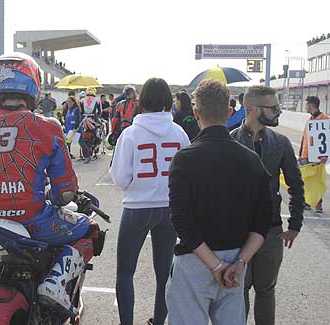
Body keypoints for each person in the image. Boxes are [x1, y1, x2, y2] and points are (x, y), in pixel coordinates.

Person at [0, 53, 102, 313]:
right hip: (36, 222)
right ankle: (55, 282)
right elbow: (66, 192)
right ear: (33, 84)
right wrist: (52, 197)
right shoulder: (47, 126)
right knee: (90, 228)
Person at [166, 79, 272, 325]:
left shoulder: (184, 159)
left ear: (195, 112)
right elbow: (262, 220)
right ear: (229, 112)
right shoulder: (251, 160)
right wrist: (240, 262)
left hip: (195, 259)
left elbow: (181, 219)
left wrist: (215, 265)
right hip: (236, 260)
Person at [110, 78, 190, 325]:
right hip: (168, 208)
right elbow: (186, 173)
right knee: (164, 274)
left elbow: (120, 177)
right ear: (168, 101)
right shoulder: (179, 132)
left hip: (137, 207)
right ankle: (158, 321)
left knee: (125, 272)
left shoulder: (131, 133)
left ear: (141, 101)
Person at [231, 85, 304, 325]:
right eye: (273, 108)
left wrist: (295, 224)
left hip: (271, 231)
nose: (278, 112)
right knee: (237, 291)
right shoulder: (230, 141)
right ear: (252, 109)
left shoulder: (281, 143)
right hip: (237, 233)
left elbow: (295, 183)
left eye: (278, 107)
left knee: (266, 290)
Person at [299, 95, 329, 213]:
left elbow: (327, 139)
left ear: (311, 105)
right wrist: (301, 153)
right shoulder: (310, 120)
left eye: (306, 104)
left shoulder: (325, 119)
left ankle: (317, 203)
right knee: (306, 179)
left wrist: (325, 155)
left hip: (317, 155)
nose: (305, 107)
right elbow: (304, 138)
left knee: (315, 179)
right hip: (306, 154)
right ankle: (307, 201)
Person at [65, 95, 91, 162]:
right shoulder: (68, 111)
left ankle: (87, 156)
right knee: (67, 144)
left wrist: (76, 128)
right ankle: (67, 157)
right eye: (67, 101)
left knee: (81, 143)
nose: (68, 103)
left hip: (76, 130)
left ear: (73, 102)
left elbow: (78, 119)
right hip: (69, 130)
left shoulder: (76, 110)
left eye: (69, 101)